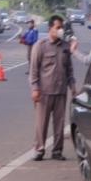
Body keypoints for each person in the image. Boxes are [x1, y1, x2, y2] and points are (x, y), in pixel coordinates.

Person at [29, 14, 75, 161]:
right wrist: (35, 88)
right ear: (50, 28)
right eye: (58, 27)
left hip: (60, 91)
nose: (60, 30)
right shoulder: (40, 46)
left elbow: (69, 70)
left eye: (62, 27)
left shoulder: (65, 47)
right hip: (44, 91)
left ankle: (57, 151)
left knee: (59, 123)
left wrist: (73, 86)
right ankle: (39, 150)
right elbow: (34, 70)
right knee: (41, 123)